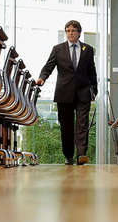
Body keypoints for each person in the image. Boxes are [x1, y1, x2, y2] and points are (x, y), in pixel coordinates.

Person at [36, 20, 98, 165]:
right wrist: (42, 78)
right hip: (64, 93)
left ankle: (81, 154)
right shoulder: (58, 49)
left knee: (83, 125)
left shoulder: (87, 49)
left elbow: (92, 71)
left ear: (79, 33)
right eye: (68, 30)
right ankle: (69, 156)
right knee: (66, 126)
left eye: (73, 30)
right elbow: (48, 66)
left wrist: (94, 89)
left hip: (83, 92)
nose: (70, 33)